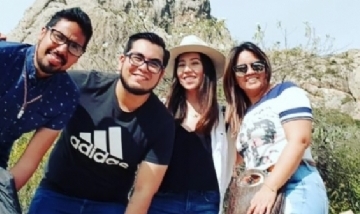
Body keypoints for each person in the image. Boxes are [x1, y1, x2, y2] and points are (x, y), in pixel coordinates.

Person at [27, 32, 175, 214]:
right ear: (121, 60)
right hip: (56, 196)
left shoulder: (162, 123)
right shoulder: (82, 85)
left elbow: (143, 191)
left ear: (160, 75)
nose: (143, 67)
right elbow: (33, 84)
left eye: (153, 64)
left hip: (108, 206)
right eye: (137, 57)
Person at [0, 7, 93, 213]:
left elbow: (29, 161)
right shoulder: (4, 57)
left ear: (78, 56)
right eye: (58, 36)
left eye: (74, 47)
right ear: (43, 32)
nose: (62, 49)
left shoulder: (66, 96)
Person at [222, 41, 329, 214]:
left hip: (295, 183)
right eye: (241, 69)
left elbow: (300, 140)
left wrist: (270, 188)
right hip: (257, 191)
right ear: (233, 77)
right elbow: (231, 159)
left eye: (256, 66)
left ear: (265, 69)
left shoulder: (285, 92)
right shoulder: (243, 115)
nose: (250, 72)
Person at [148, 35, 236, 214]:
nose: (187, 70)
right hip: (163, 201)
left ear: (206, 69)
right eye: (181, 64)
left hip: (205, 203)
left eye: (195, 63)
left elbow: (237, 157)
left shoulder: (223, 116)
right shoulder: (163, 110)